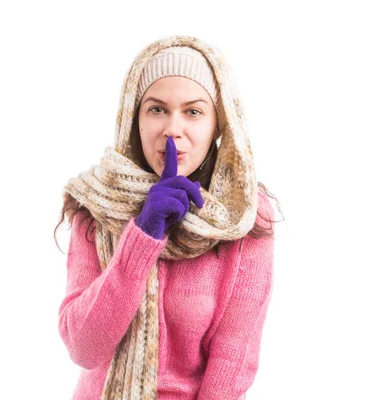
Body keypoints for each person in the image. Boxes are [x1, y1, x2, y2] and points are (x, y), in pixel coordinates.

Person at [54, 35, 281, 400]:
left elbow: (232, 363)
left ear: (217, 125)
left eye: (193, 111)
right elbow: (84, 348)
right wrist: (142, 234)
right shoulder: (97, 205)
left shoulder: (245, 216)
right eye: (157, 109)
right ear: (135, 117)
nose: (172, 128)